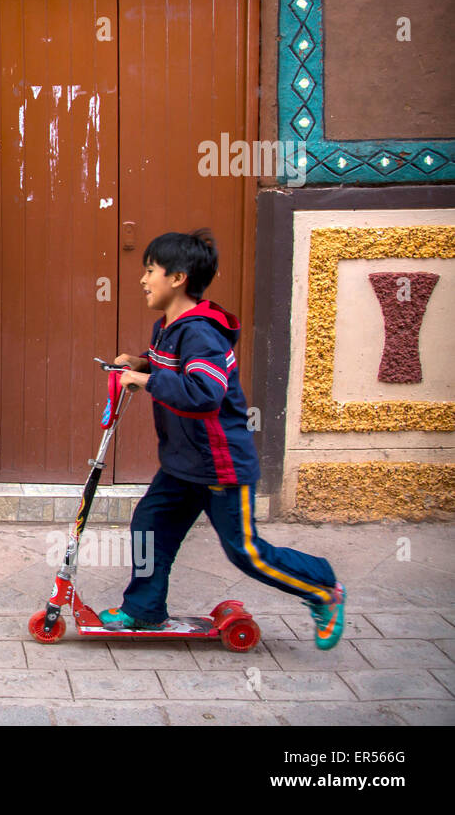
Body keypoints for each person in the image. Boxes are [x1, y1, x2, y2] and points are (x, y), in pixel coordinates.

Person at [101, 229, 346, 650]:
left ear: (177, 277)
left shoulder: (201, 333)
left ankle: (322, 586)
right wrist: (141, 362)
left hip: (221, 465)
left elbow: (204, 393)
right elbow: (173, 371)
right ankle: (143, 608)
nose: (143, 280)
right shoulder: (169, 328)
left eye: (149, 271)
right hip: (184, 465)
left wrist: (146, 378)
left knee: (244, 551)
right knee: (149, 524)